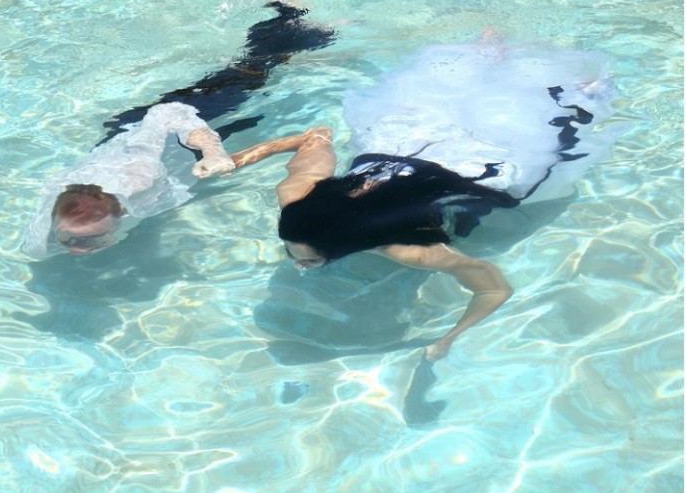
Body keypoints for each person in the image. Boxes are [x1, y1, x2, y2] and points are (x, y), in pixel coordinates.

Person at [203, 31, 620, 362]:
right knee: (471, 77)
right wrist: (235, 160)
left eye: (307, 259)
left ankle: (583, 85)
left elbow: (494, 290)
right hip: (404, 140)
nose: (297, 265)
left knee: (573, 109)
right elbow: (315, 137)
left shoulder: (411, 252)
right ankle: (494, 46)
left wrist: (448, 338)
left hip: (483, 166)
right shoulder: (296, 195)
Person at [22, 1, 335, 259]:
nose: (76, 249)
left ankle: (298, 21)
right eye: (67, 238)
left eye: (88, 240)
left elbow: (166, 114)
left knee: (250, 76)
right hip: (153, 146)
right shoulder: (55, 209)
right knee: (247, 99)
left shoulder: (138, 176)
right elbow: (35, 246)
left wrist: (212, 151)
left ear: (120, 212)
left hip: (169, 127)